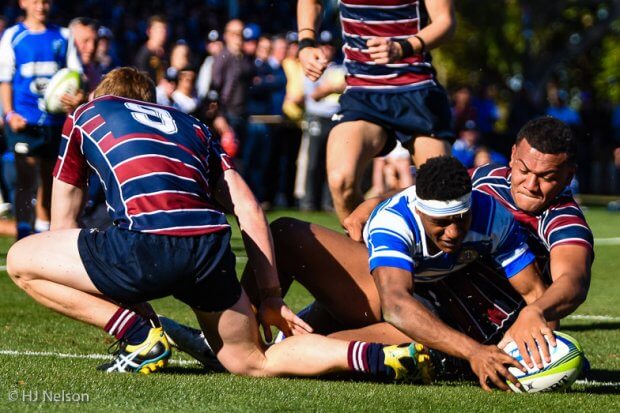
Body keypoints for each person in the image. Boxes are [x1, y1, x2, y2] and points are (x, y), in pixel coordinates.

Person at [6, 67, 430, 382]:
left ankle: (138, 335)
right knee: (252, 362)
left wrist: (123, 314)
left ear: (103, 95)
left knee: (22, 259)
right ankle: (376, 358)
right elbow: (248, 207)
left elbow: (63, 226)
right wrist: (269, 295)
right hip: (209, 251)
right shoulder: (194, 127)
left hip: (146, 244)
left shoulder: (86, 113)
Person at [297, 0, 456, 223]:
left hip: (417, 92)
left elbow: (446, 22)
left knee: (443, 196)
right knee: (340, 181)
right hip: (362, 93)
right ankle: (367, 251)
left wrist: (403, 47)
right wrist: (305, 43)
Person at [0, 0, 80, 239]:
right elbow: (5, 80)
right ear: (23, 3)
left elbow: (76, 76)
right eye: (35, 1)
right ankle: (24, 231)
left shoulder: (64, 36)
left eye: (45, 1)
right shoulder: (13, 36)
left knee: (50, 179)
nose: (41, 6)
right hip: (24, 121)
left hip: (54, 122)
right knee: (26, 176)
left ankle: (44, 232)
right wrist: (9, 113)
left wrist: (75, 97)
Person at [134, 15, 169, 84]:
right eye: (158, 30)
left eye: (164, 30)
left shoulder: (166, 53)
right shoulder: (143, 54)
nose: (162, 34)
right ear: (149, 31)